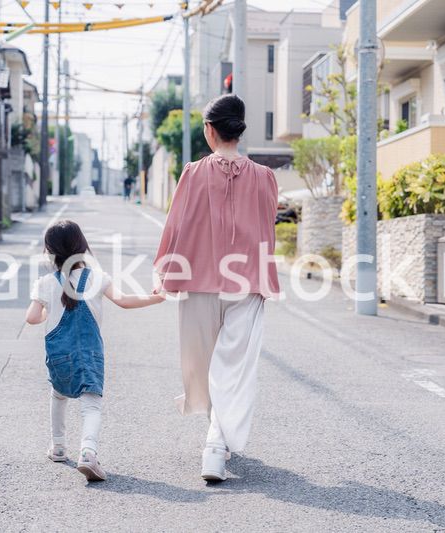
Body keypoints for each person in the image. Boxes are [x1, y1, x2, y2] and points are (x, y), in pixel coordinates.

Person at [154, 94, 280, 482]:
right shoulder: (265, 177)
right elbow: (268, 227)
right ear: (239, 131)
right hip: (247, 284)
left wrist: (164, 270)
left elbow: (175, 225)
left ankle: (214, 443)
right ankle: (217, 442)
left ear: (210, 130)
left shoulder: (193, 173)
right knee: (233, 367)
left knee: (203, 363)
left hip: (198, 282)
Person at [26, 220, 165, 481]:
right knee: (91, 406)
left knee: (58, 395)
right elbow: (124, 301)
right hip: (88, 353)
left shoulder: (45, 282)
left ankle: (57, 446)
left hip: (58, 354)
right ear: (82, 247)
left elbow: (32, 318)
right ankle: (88, 452)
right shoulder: (98, 279)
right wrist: (156, 297)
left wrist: (47, 307)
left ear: (50, 252)